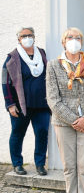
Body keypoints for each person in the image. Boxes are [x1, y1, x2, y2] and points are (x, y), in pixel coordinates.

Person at [46, 27, 84, 193]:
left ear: (82, 42)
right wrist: (73, 120)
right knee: (69, 167)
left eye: (78, 37)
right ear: (63, 42)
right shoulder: (53, 66)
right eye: (70, 37)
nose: (74, 40)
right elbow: (53, 99)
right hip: (63, 123)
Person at [2, 27, 50, 176]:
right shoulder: (12, 58)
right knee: (18, 134)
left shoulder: (41, 53)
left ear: (34, 37)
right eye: (24, 36)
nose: (27, 37)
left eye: (30, 35)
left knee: (42, 133)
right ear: (18, 39)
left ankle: (40, 164)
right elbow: (5, 82)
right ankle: (17, 164)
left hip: (41, 105)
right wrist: (10, 105)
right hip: (20, 106)